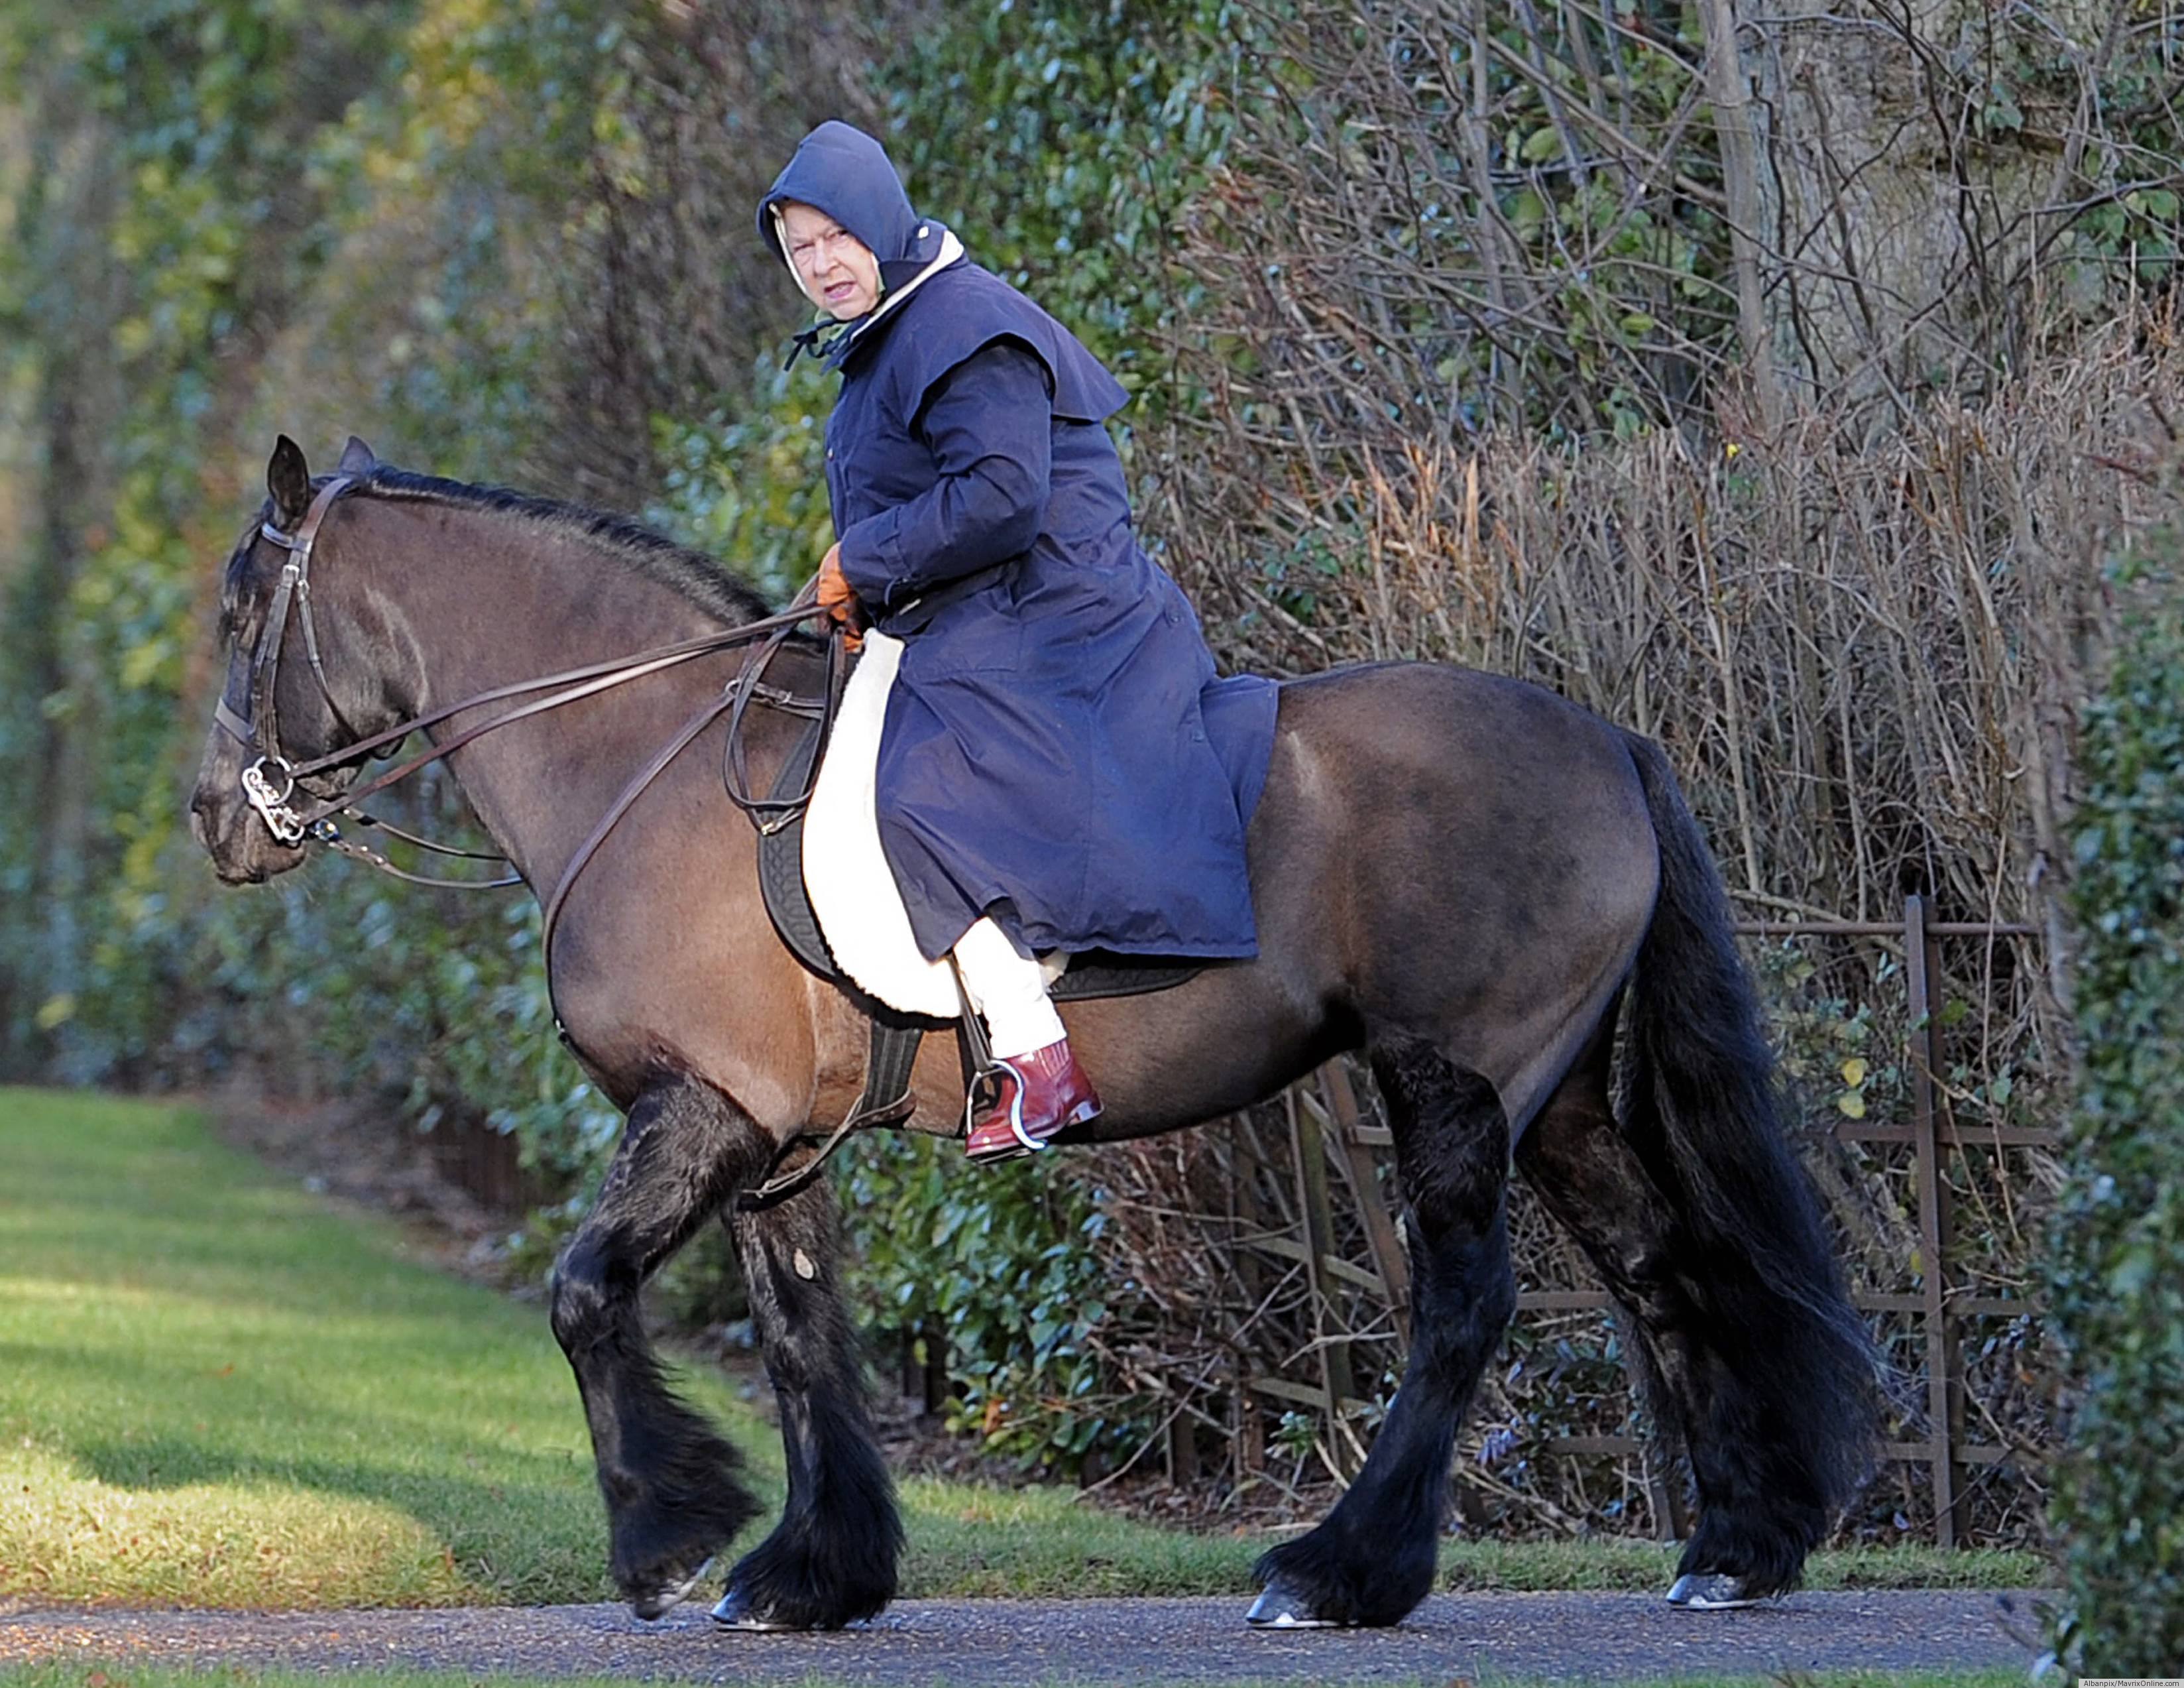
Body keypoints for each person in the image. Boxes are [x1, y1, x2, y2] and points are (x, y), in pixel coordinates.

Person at [758, 121, 1275, 1162]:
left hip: (1057, 610)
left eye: (833, 239)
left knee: (911, 789)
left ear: (879, 224)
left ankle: (1041, 1055)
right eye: (798, 248)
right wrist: (866, 578)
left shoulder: (963, 322)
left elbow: (1001, 495)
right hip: (983, 602)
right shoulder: (896, 329)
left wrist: (863, 560)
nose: (819, 265)